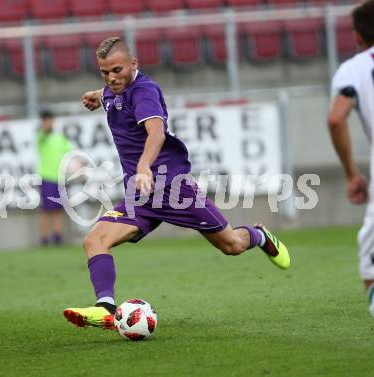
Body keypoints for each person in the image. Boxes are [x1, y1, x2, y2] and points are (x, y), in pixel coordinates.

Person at [63, 37, 290, 329]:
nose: (111, 78)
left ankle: (259, 236)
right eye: (104, 72)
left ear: (134, 64)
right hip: (141, 195)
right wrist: (97, 94)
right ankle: (105, 307)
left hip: (173, 188)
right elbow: (109, 92)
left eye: (117, 70)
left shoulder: (144, 92)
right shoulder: (111, 90)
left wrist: (144, 165)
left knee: (231, 245)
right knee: (95, 240)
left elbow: (156, 131)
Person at [327, 0, 374, 316]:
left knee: (370, 260)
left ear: (357, 36)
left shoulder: (355, 69)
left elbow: (335, 119)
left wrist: (352, 174)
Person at [37, 110, 72, 246]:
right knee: (46, 210)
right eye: (45, 121)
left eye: (50, 120)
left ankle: (58, 237)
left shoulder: (59, 138)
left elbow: (69, 152)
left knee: (58, 209)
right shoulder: (41, 136)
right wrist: (44, 129)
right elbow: (42, 135)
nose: (48, 123)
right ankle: (44, 238)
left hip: (60, 178)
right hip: (47, 177)